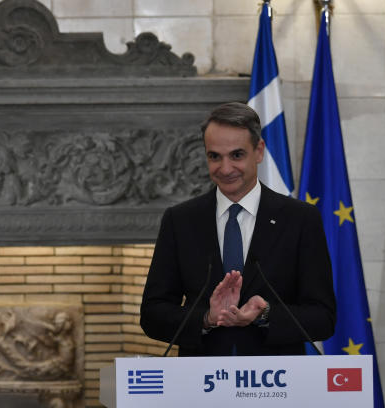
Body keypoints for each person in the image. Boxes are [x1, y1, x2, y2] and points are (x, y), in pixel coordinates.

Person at [140, 102, 335, 356]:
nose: (225, 168)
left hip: (276, 385)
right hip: (200, 383)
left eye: (237, 155)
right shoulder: (180, 220)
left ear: (259, 151)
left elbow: (323, 317)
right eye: (214, 156)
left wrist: (264, 313)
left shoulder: (299, 219)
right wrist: (207, 318)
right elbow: (153, 314)